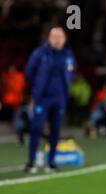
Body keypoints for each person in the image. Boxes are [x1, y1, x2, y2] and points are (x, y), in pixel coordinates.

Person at [24, 27, 76, 173]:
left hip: (60, 98)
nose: (58, 40)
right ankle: (31, 162)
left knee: (56, 130)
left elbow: (72, 73)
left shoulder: (68, 55)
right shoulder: (39, 54)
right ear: (49, 38)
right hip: (42, 98)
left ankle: (51, 162)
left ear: (64, 39)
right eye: (55, 37)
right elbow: (29, 74)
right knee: (36, 129)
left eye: (60, 37)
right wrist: (35, 92)